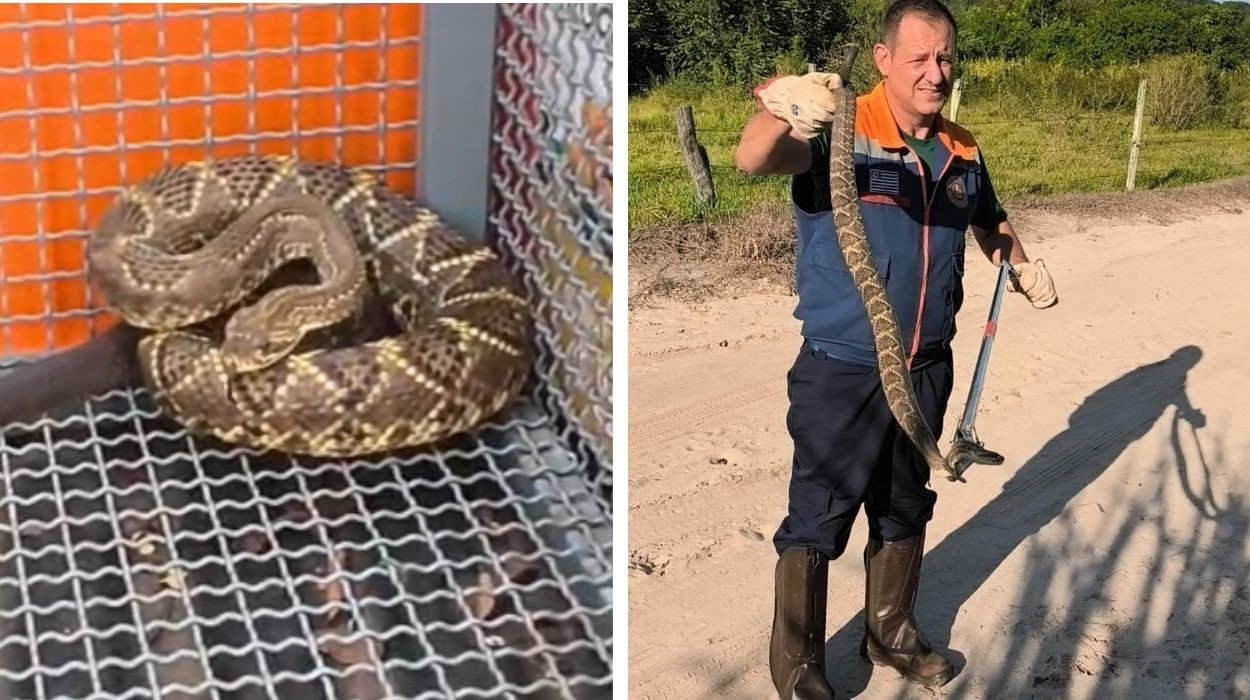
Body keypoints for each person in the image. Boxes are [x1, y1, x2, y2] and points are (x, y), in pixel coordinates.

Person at [733, 1, 1058, 697]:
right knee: (820, 513)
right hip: (842, 365)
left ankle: (892, 632)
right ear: (883, 60)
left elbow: (990, 220)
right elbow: (754, 156)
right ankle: (797, 667)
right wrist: (783, 107)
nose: (934, 73)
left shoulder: (963, 150)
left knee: (907, 501)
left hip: (926, 362)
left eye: (944, 58)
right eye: (918, 58)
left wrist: (1021, 263)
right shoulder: (840, 134)